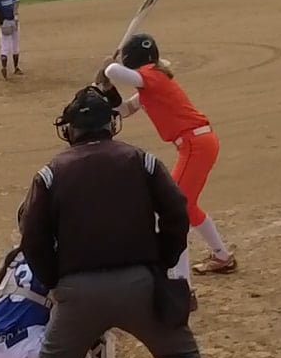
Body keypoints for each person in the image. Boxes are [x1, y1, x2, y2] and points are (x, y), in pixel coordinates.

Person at [17, 85, 216, 358]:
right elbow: (176, 212)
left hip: (78, 291)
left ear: (70, 130)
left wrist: (57, 280)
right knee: (179, 354)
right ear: (111, 124)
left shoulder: (51, 173)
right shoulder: (141, 160)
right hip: (140, 284)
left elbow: (31, 236)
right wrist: (161, 259)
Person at [101, 33, 237, 279]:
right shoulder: (150, 85)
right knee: (187, 207)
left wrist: (108, 67)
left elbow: (114, 70)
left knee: (171, 210)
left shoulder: (152, 75)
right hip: (198, 143)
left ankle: (181, 283)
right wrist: (108, 89)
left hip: (195, 144)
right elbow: (123, 110)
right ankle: (222, 257)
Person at [0, 213, 131, 358]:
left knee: (27, 306)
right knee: (92, 304)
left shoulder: (12, 256)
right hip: (32, 357)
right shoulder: (62, 258)